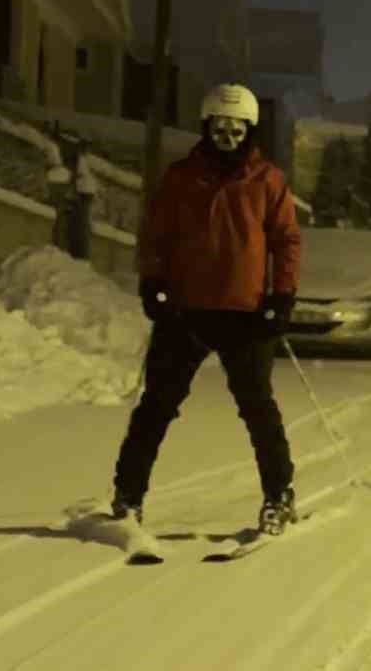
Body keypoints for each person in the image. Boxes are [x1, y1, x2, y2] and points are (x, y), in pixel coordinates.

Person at [109, 83, 304, 535]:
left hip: (247, 315)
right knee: (156, 406)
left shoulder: (267, 181)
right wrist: (153, 282)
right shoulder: (181, 177)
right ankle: (127, 497)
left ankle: (279, 496)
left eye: (236, 130)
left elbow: (286, 240)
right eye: (220, 128)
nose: (227, 137)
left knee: (258, 410)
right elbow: (156, 235)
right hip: (185, 313)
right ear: (206, 128)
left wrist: (282, 295)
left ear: (249, 131)